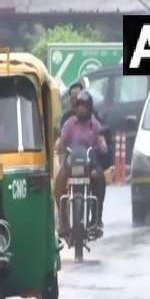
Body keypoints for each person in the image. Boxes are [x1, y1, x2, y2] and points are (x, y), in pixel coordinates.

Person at [54, 90, 108, 236]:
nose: (80, 108)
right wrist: (58, 145)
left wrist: (102, 145)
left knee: (100, 178)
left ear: (89, 108)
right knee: (59, 182)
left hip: (89, 163)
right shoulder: (69, 123)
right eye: (78, 105)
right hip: (71, 162)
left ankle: (96, 219)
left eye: (84, 105)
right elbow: (60, 141)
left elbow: (102, 142)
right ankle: (63, 222)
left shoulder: (95, 125)